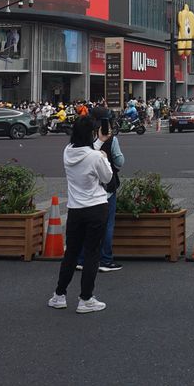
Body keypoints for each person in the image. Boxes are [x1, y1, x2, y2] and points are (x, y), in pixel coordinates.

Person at [48, 116, 113, 314]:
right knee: (92, 253)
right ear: (91, 134)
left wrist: (99, 141)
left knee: (72, 253)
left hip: (76, 209)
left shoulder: (68, 152)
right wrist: (104, 156)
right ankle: (86, 299)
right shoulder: (95, 157)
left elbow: (86, 149)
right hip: (96, 208)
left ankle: (59, 295)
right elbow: (107, 177)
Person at [92, 106, 126, 273]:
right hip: (106, 190)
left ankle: (83, 259)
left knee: (86, 226)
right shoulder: (111, 139)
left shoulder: (83, 138)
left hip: (86, 191)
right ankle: (105, 260)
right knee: (107, 225)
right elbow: (119, 162)